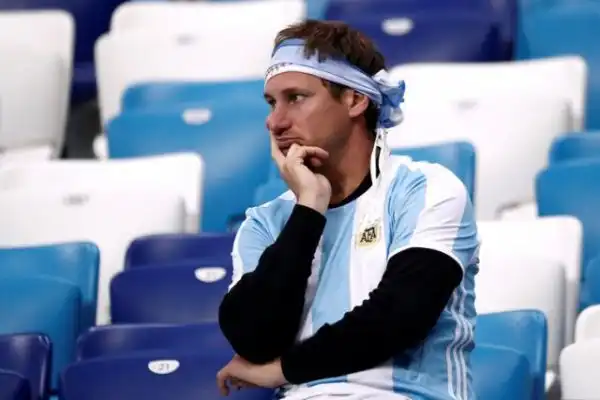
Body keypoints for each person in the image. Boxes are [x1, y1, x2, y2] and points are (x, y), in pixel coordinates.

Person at [216, 20, 479, 400]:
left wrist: (283, 370)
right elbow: (255, 338)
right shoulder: (265, 222)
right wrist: (309, 208)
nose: (275, 122)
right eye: (272, 103)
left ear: (355, 100)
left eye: (296, 98)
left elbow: (399, 316)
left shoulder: (426, 189)